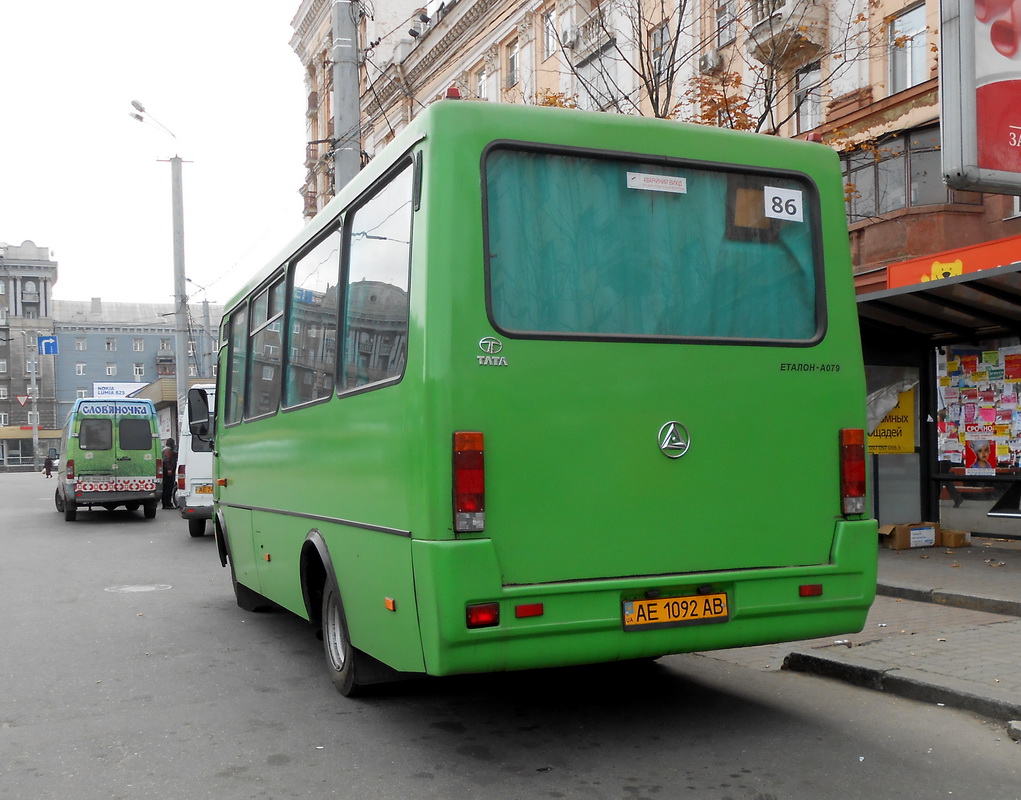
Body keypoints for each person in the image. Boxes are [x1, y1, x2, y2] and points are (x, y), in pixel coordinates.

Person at [162, 438, 177, 509]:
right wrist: (169, 469)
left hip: (166, 472)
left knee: (166, 487)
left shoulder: (166, 450)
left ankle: (166, 503)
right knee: (168, 487)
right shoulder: (167, 451)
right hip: (168, 472)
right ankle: (167, 503)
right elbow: (167, 460)